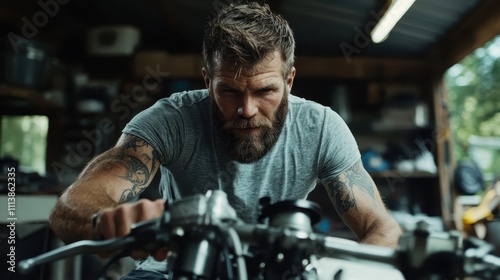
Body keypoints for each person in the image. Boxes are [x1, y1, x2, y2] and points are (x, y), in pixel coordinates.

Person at [49, 2, 402, 279]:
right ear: (207, 80)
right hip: (175, 270)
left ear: (289, 81)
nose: (247, 110)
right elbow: (71, 208)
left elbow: (380, 226)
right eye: (229, 91)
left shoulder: (322, 127)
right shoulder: (171, 120)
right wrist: (109, 216)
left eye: (265, 90)